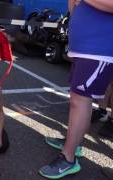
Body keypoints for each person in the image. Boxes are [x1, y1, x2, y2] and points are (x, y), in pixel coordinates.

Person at [39, 0, 113, 179]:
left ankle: (69, 158)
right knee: (77, 101)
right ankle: (73, 143)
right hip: (84, 47)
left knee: (80, 102)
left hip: (99, 48)